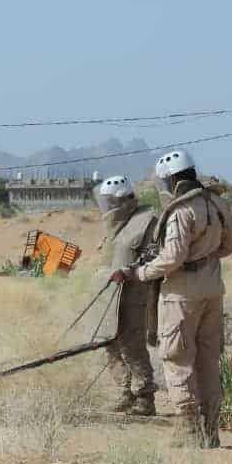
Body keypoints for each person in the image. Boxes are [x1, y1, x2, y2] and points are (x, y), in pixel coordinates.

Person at [110, 150, 232, 447]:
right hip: (213, 289)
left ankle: (188, 430)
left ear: (170, 180)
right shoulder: (217, 202)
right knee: (208, 361)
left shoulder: (181, 211)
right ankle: (211, 432)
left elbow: (172, 258)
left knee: (177, 358)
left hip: (180, 295)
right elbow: (230, 245)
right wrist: (205, 260)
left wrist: (138, 273)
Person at [95, 174, 157, 416]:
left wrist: (129, 271)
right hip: (110, 294)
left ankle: (144, 398)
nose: (107, 208)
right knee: (110, 343)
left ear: (123, 200)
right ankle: (125, 392)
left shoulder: (147, 221)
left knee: (132, 346)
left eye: (110, 202)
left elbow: (154, 255)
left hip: (135, 294)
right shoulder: (116, 227)